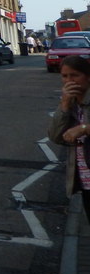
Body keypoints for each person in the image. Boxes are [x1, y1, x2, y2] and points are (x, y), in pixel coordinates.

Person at [48, 55, 90, 222]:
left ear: (88, 76)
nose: (69, 81)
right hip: (85, 179)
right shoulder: (71, 103)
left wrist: (84, 128)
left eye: (74, 75)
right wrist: (64, 106)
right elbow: (55, 137)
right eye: (65, 76)